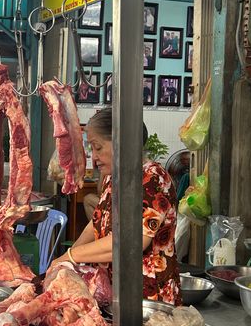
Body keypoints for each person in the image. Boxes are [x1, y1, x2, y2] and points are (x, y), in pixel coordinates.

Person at [54, 107, 181, 305]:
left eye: (98, 147)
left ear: (122, 143)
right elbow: (95, 223)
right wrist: (63, 263)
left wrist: (72, 255)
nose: (93, 158)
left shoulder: (152, 179)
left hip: (148, 300)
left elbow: (131, 242)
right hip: (115, 295)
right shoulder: (113, 177)